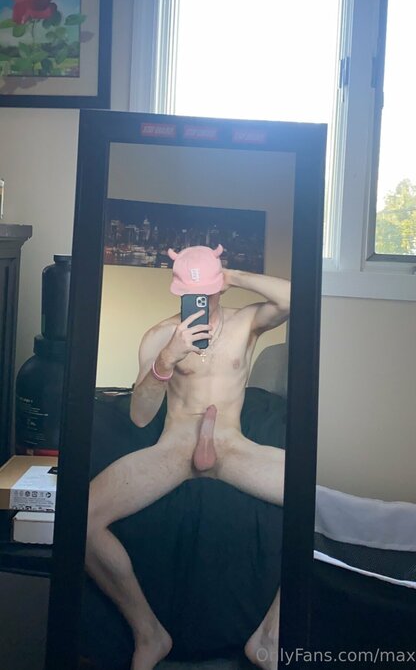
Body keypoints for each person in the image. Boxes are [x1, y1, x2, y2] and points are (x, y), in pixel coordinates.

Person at [86, 244, 289, 670]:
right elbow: (140, 417)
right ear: (177, 291)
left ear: (219, 288)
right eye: (192, 294)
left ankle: (268, 636)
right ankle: (149, 634)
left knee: (320, 507)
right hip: (175, 447)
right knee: (83, 520)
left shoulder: (245, 322)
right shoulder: (160, 336)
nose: (201, 302)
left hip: (231, 444)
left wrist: (232, 275)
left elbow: (295, 300)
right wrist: (165, 362)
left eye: (208, 292)